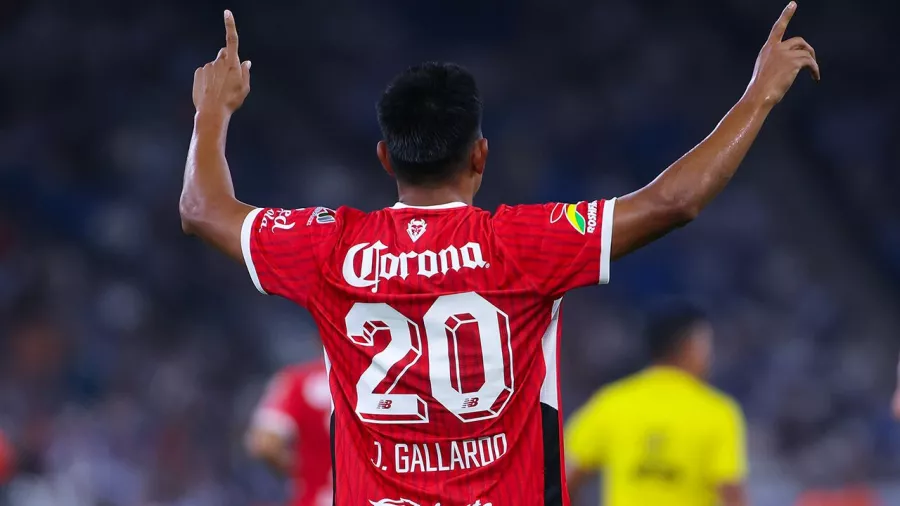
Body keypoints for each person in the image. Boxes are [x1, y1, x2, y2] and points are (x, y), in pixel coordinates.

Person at [180, 4, 817, 505]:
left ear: (385, 158)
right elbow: (671, 202)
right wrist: (759, 93)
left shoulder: (328, 247)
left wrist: (214, 110)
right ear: (480, 156)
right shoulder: (522, 244)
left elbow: (203, 209)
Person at [565, 303, 748, 506]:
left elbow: (564, 477)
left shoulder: (613, 402)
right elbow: (732, 497)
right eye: (706, 345)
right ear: (688, 347)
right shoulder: (717, 412)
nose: (711, 356)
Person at [246, 361, 333, 506]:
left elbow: (265, 442)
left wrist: (301, 468)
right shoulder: (376, 381)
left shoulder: (298, 380)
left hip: (314, 499)